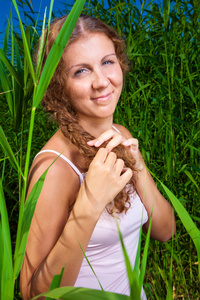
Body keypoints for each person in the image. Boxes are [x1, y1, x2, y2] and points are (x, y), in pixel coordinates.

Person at [20, 14, 176, 300]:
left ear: (120, 63)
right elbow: (34, 294)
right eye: (81, 71)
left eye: (107, 62)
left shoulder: (122, 133)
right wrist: (90, 203)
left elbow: (165, 231)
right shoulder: (54, 169)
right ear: (58, 85)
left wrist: (137, 166)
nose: (101, 82)